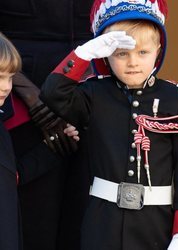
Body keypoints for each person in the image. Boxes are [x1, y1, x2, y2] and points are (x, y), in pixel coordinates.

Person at [41, 0, 178, 249]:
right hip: (102, 222)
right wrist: (83, 53)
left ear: (158, 51)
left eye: (143, 52)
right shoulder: (93, 94)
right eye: (121, 54)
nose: (133, 62)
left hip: (155, 225)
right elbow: (53, 93)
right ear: (106, 55)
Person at [0, 1, 92, 249]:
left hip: (93, 99)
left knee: (87, 219)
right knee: (33, 220)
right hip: (18, 99)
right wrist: (31, 96)